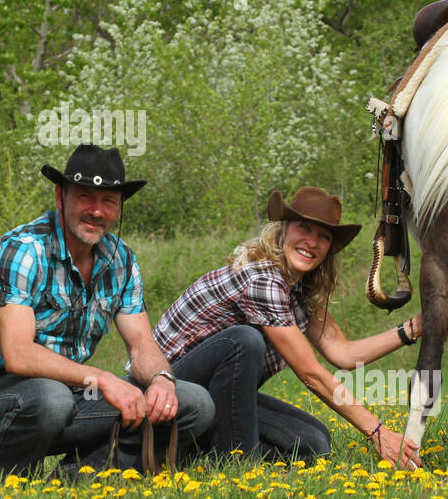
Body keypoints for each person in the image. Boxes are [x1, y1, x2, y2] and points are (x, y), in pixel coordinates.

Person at [0, 143, 214, 480]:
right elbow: (18, 354)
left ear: (119, 209)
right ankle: (1, 484)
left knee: (192, 403)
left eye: (109, 201)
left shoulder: (121, 260)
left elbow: (142, 346)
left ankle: (76, 480)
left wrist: (162, 380)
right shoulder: (24, 250)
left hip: (72, 393)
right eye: (86, 197)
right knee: (52, 398)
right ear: (61, 196)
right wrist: (103, 379)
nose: (97, 211)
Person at [153, 186, 423, 467]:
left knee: (313, 443)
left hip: (221, 396)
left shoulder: (301, 288)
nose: (312, 242)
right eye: (303, 228)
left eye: (323, 236)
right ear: (282, 231)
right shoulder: (263, 279)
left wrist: (413, 328)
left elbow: (342, 353)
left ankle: (199, 455)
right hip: (169, 389)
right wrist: (377, 433)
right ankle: (238, 467)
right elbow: (311, 374)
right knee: (244, 340)